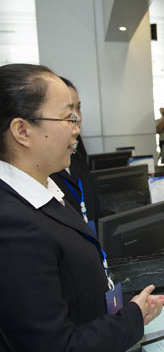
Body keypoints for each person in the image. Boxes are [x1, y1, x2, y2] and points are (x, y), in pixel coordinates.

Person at [0, 64, 164, 352]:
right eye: (67, 117)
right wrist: (131, 318)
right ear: (22, 131)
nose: (76, 128)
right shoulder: (12, 223)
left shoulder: (47, 187)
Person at [50, 77, 101, 234]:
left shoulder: (76, 151)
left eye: (78, 108)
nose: (76, 117)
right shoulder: (42, 167)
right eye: (67, 111)